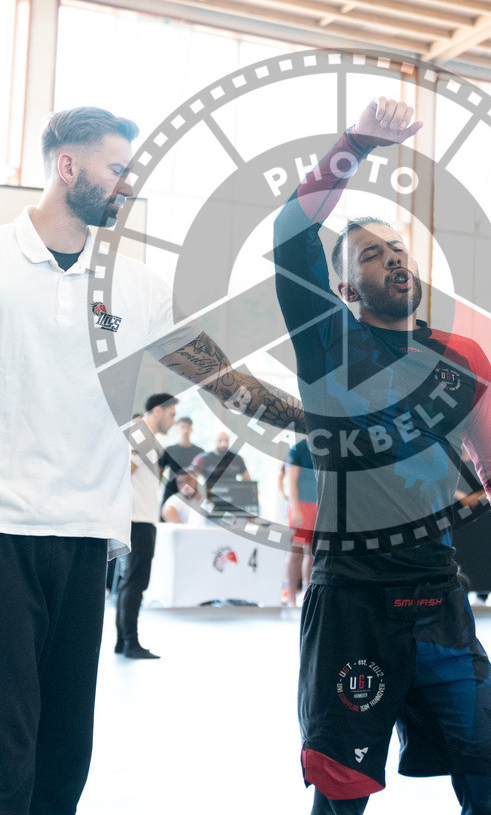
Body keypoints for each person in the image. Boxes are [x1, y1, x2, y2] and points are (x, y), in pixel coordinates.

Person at [0, 106, 304, 815]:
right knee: (5, 742)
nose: (128, 184)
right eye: (118, 168)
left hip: (85, 535)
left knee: (66, 744)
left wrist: (317, 417)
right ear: (66, 167)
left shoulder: (135, 287)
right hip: (5, 529)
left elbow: (221, 377)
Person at [274, 96, 491, 815]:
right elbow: (291, 230)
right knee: (342, 791)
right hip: (351, 601)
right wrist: (356, 143)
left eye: (397, 248)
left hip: (437, 596)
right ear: (343, 289)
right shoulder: (327, 347)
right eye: (369, 256)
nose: (391, 260)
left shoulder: (459, 359)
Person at [115, 393, 176, 659]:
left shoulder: (150, 440)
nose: (173, 421)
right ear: (158, 411)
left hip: (141, 519)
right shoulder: (140, 436)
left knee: (130, 582)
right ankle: (130, 641)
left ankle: (123, 640)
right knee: (135, 583)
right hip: (136, 520)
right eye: (172, 415)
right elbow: (123, 472)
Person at [285, 438, 318, 606]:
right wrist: (296, 508)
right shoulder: (297, 449)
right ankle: (291, 596)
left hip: (318, 507)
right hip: (301, 507)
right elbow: (291, 482)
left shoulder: (323, 447)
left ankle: (307, 594)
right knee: (295, 552)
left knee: (312, 553)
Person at [158, 415, 203, 514]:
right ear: (177, 430)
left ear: (191, 429)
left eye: (187, 427)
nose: (185, 430)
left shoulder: (199, 452)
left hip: (191, 492)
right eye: (182, 427)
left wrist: (199, 491)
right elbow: (159, 471)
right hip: (171, 490)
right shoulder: (169, 450)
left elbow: (201, 474)